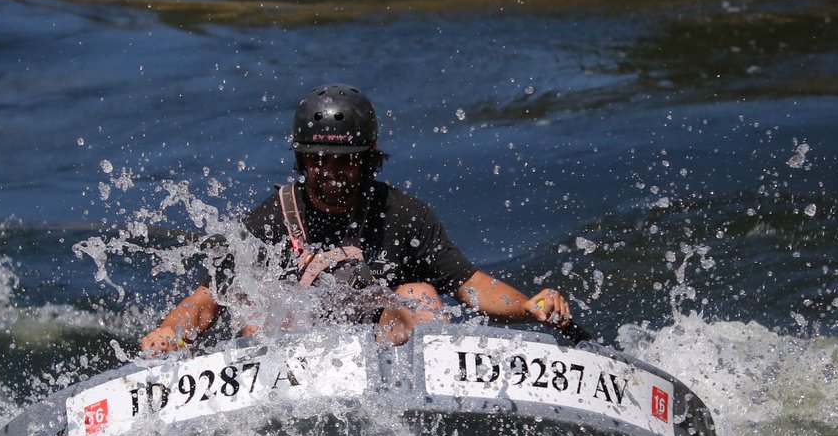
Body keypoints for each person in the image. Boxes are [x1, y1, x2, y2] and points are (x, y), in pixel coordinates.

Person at [140, 83, 574, 356]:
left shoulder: (404, 216)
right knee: (262, 310)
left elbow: (471, 284)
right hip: (292, 365)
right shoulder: (269, 220)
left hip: (384, 356)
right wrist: (167, 333)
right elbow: (205, 301)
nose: (331, 173)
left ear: (369, 161)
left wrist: (528, 306)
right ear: (302, 159)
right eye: (319, 160)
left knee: (419, 294)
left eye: (344, 162)